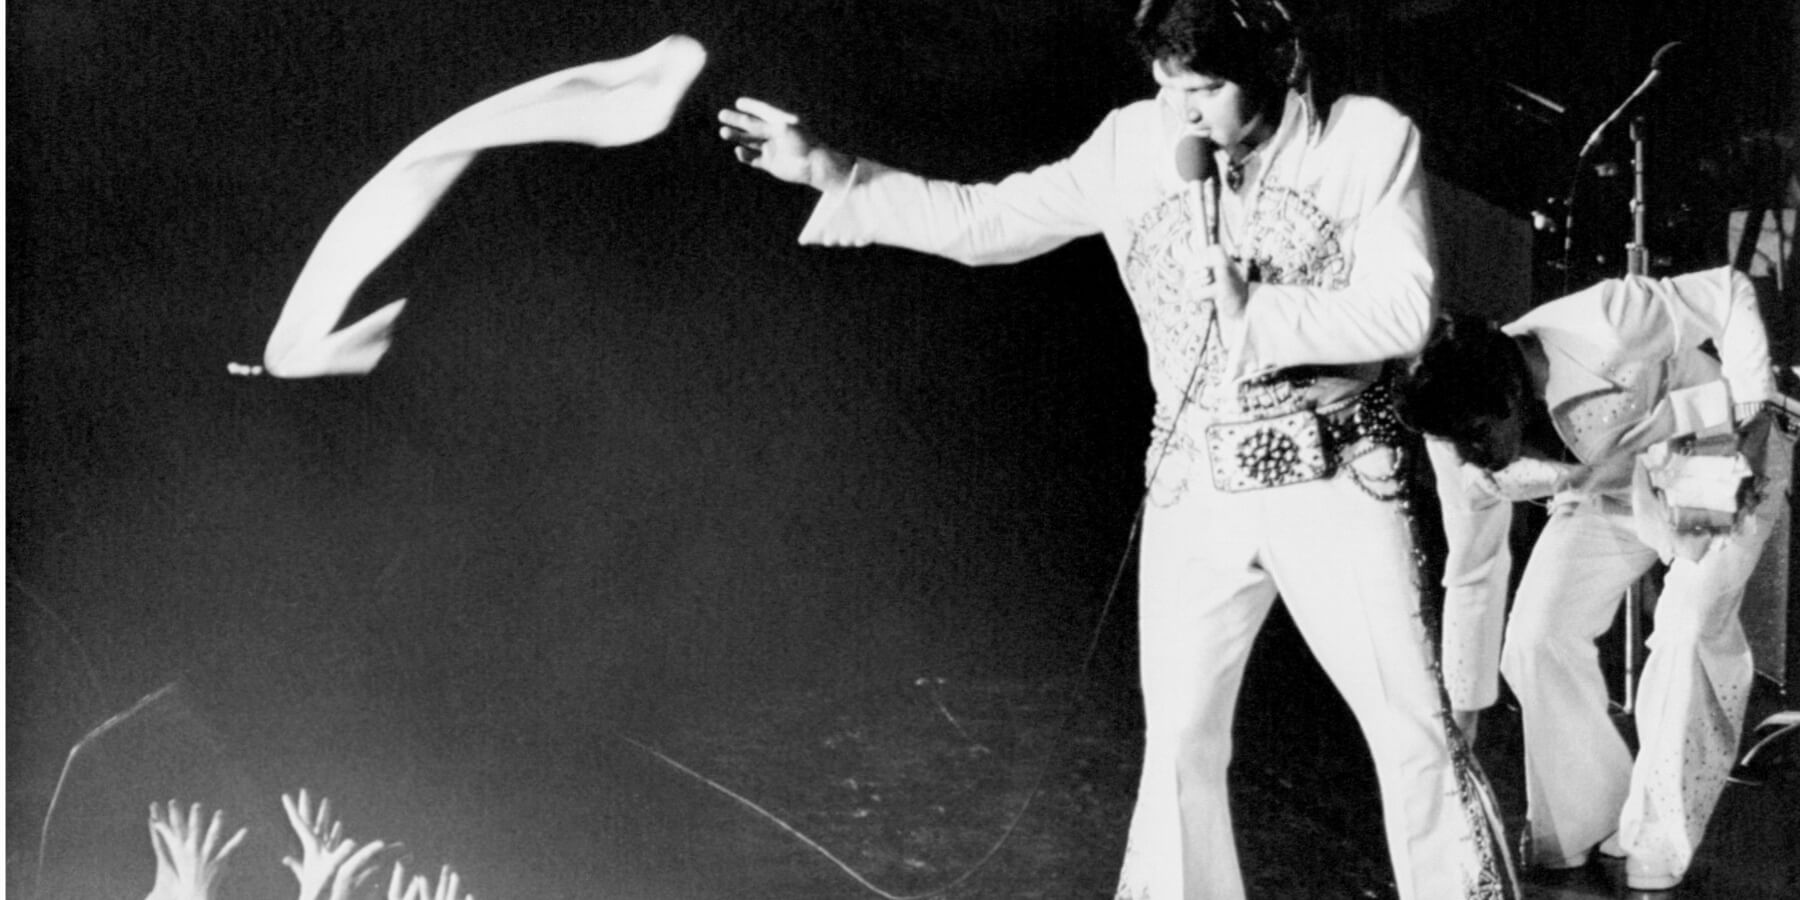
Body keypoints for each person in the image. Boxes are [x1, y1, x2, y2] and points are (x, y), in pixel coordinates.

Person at [718, 1, 1508, 897]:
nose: (1186, 111)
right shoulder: (1134, 143)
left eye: (1207, 87)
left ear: (1280, 61)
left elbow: (1405, 310)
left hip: (1339, 472)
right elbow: (989, 221)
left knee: (1412, 730)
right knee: (1179, 740)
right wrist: (834, 171)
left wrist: (1265, 316)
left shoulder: (1366, 139)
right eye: (1169, 87)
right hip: (1192, 485)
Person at [1394, 266, 1786, 892]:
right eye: (1456, 444)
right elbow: (1474, 566)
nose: (1471, 456)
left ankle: (1658, 834)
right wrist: (1460, 726)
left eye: (1477, 436)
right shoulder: (1454, 423)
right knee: (1536, 637)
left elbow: (1730, 290)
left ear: (1509, 395)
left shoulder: (1607, 321)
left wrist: (1751, 412)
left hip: (1710, 462)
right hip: (1607, 495)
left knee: (1685, 630)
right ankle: (1588, 818)